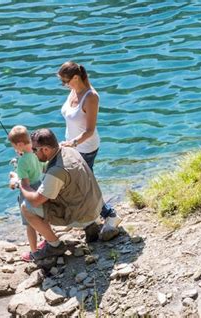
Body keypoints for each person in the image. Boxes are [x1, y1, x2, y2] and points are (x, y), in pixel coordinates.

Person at [15, 128, 103, 260]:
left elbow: (35, 201)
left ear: (45, 149)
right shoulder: (69, 150)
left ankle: (54, 245)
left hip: (84, 215)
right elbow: (47, 168)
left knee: (26, 207)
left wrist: (22, 183)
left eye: (34, 150)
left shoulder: (57, 171)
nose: (32, 153)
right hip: (96, 206)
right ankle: (91, 225)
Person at [57, 61, 121, 241]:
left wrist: (73, 143)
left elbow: (90, 130)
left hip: (85, 147)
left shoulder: (91, 97)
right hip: (72, 146)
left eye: (65, 81)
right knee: (82, 185)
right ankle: (90, 220)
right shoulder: (73, 91)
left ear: (76, 78)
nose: (64, 85)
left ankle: (109, 215)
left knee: (85, 186)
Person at [7, 125, 46, 261]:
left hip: (28, 193)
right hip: (40, 187)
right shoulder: (36, 153)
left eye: (14, 146)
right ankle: (47, 241)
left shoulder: (23, 162)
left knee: (30, 224)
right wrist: (23, 155)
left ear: (19, 144)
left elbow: (24, 183)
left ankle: (34, 252)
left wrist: (13, 179)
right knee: (41, 219)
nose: (14, 149)